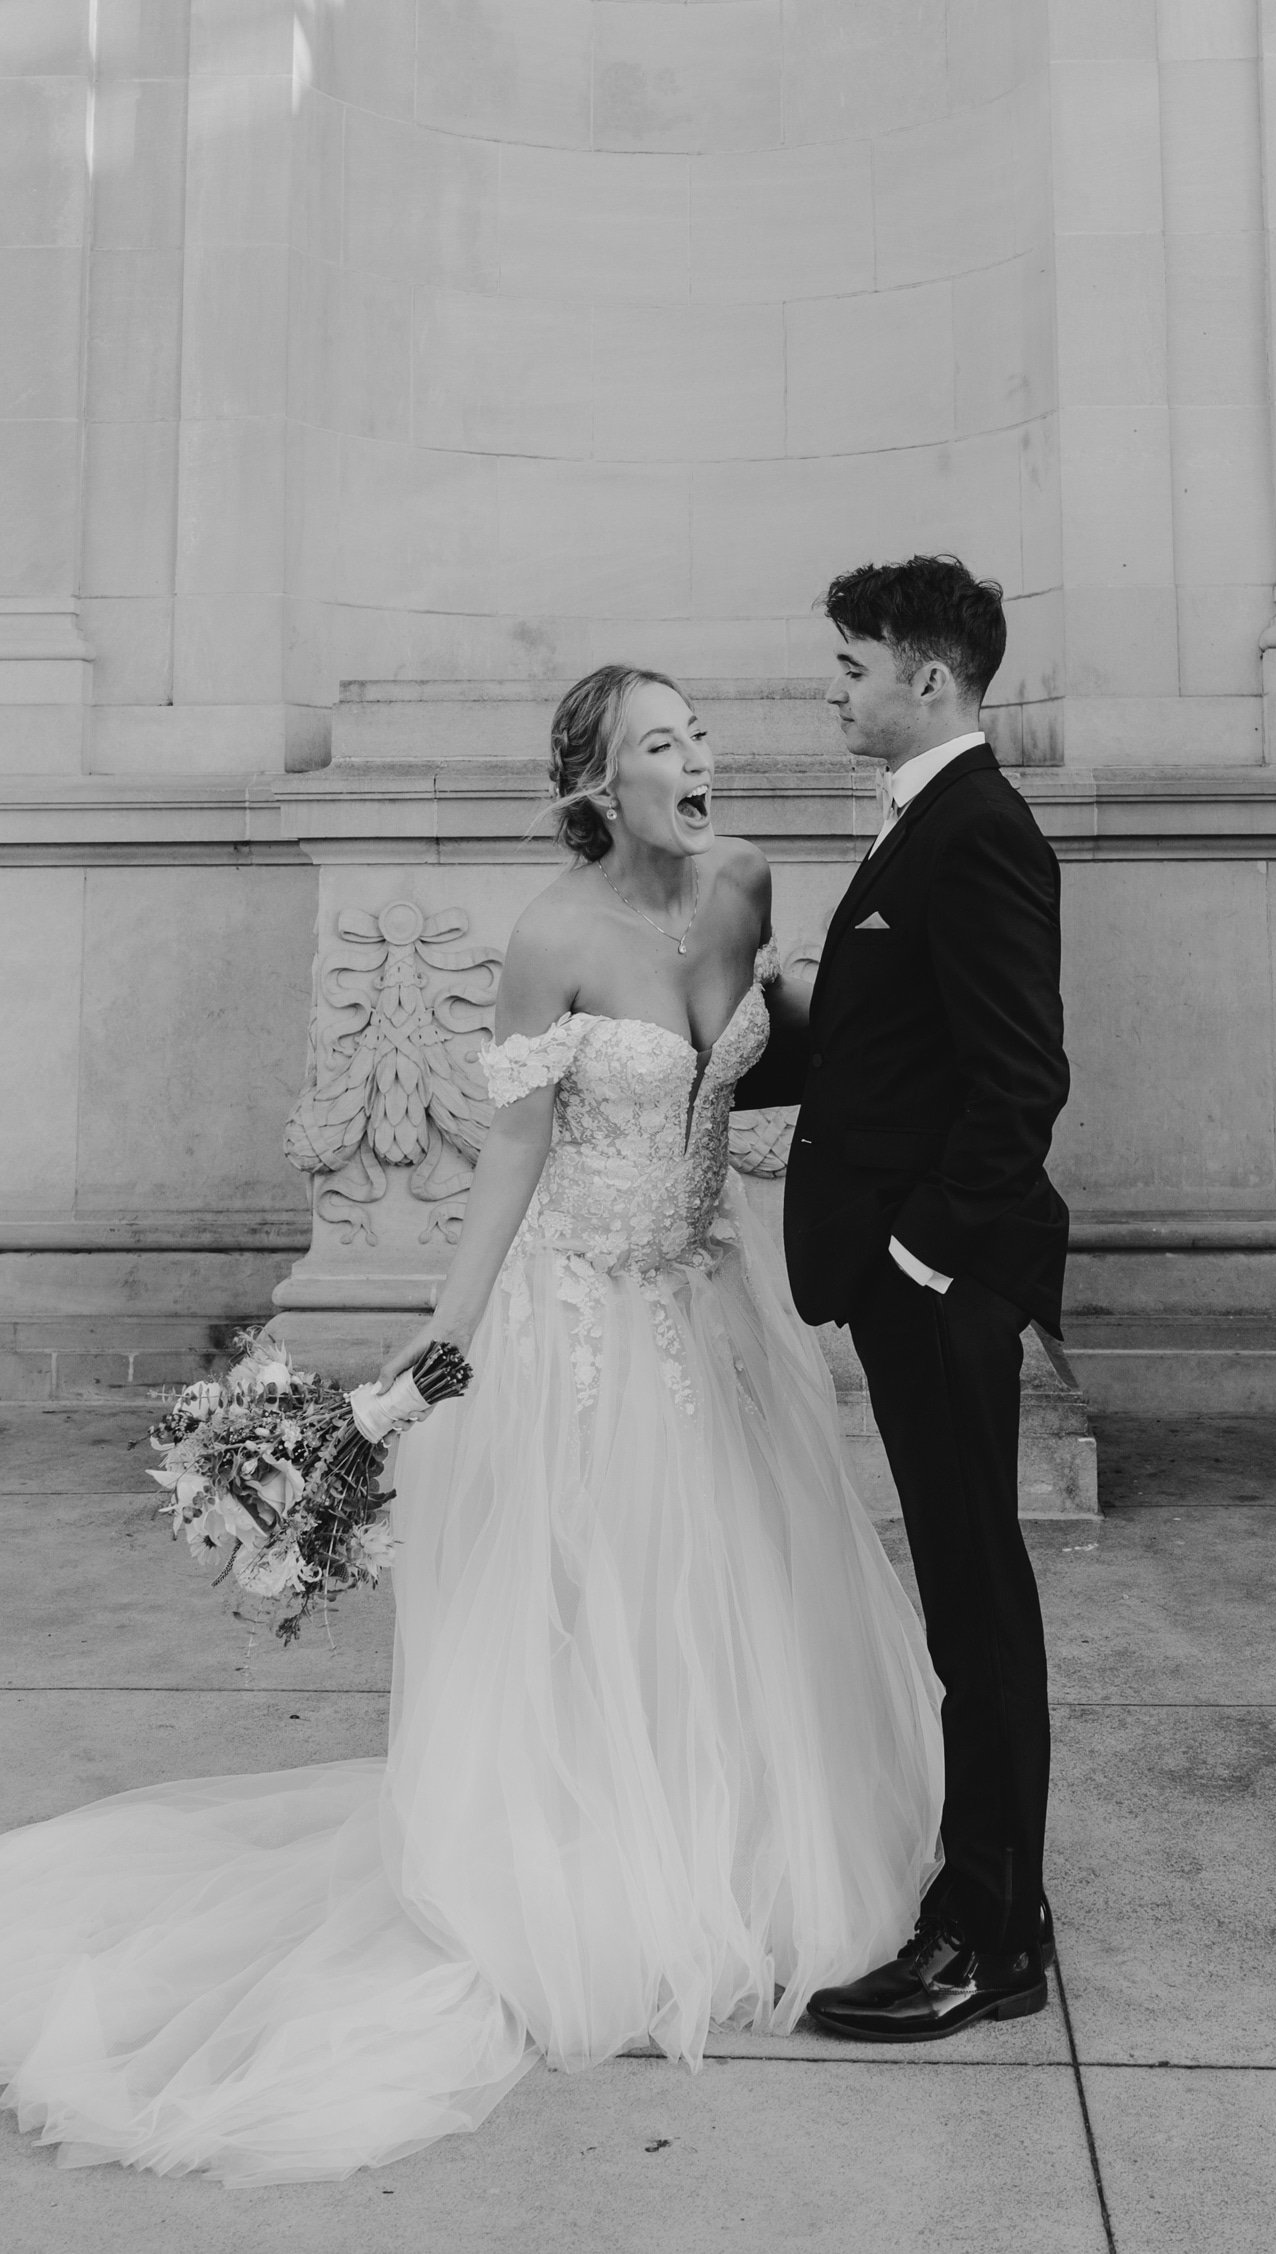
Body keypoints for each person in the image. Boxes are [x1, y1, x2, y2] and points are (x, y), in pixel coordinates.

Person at [0, 665, 943, 2187]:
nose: (696, 756)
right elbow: (514, 1152)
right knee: (590, 1602)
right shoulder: (552, 937)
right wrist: (438, 1337)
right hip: (576, 1325)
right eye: (660, 742)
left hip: (709, 1303)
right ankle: (587, 1885)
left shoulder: (750, 881)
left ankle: (722, 1862)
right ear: (596, 781)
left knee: (735, 1589)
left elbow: (774, 1056)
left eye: (697, 732)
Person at [780, 556, 1071, 2043]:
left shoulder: (976, 833)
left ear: (931, 680)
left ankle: (986, 1938)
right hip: (911, 1275)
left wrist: (921, 1256)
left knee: (974, 1596)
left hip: (939, 1287)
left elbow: (1023, 1078)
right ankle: (1001, 1888)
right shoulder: (926, 826)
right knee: (967, 1590)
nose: (838, 689)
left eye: (853, 666)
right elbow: (896, 1049)